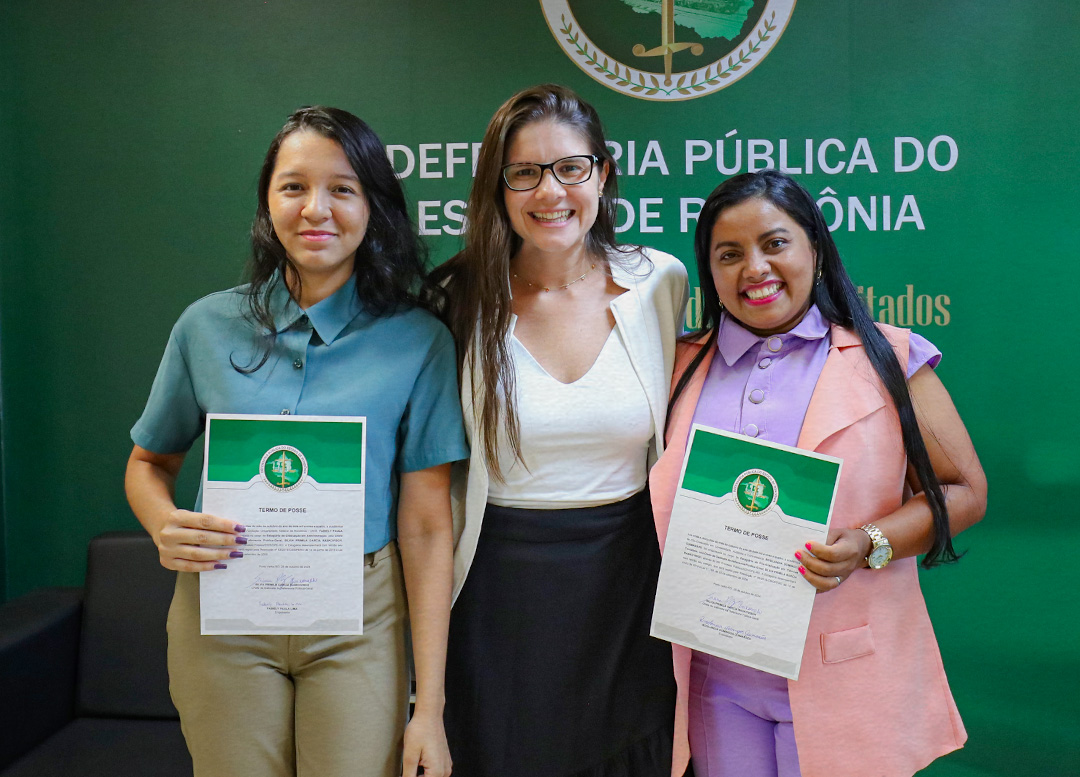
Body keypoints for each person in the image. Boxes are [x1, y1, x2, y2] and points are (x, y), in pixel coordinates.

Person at [124, 106, 467, 777]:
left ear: (374, 206)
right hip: (223, 611)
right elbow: (148, 462)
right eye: (293, 187)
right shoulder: (205, 326)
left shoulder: (419, 340)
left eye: (343, 188)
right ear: (266, 202)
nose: (317, 209)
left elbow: (427, 527)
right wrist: (163, 522)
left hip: (360, 616)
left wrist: (428, 706)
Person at [650, 170, 987, 777]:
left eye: (775, 243)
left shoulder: (891, 358)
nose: (754, 268)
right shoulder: (675, 368)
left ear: (815, 248)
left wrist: (868, 543)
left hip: (847, 667)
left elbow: (963, 492)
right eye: (729, 254)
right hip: (714, 677)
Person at [431, 84, 690, 777]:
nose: (551, 192)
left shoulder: (658, 282)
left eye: (570, 168)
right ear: (498, 187)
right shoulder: (453, 302)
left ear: (603, 174)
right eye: (526, 172)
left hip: (632, 586)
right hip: (498, 593)